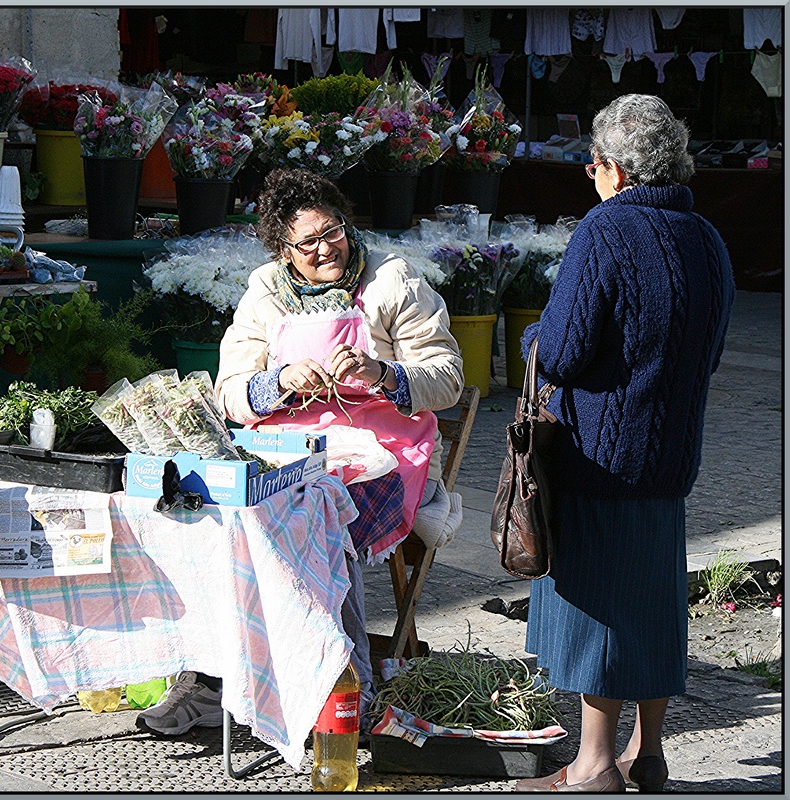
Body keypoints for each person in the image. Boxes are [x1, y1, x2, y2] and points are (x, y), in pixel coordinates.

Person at [137, 167, 463, 736]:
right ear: (283, 250)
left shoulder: (393, 281)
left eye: (332, 231)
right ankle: (213, 682)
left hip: (384, 452)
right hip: (287, 449)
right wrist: (279, 381)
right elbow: (231, 391)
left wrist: (382, 373)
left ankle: (344, 690)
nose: (324, 249)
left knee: (321, 517)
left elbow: (448, 377)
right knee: (214, 522)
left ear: (347, 223)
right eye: (306, 242)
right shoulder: (265, 290)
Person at [514, 95, 735, 793]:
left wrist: (527, 345)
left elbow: (563, 348)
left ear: (611, 167)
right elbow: (714, 350)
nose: (591, 175)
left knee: (598, 606)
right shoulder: (707, 237)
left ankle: (592, 765)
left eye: (592, 164)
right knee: (652, 599)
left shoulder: (605, 230)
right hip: (670, 455)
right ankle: (648, 753)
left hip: (599, 453)